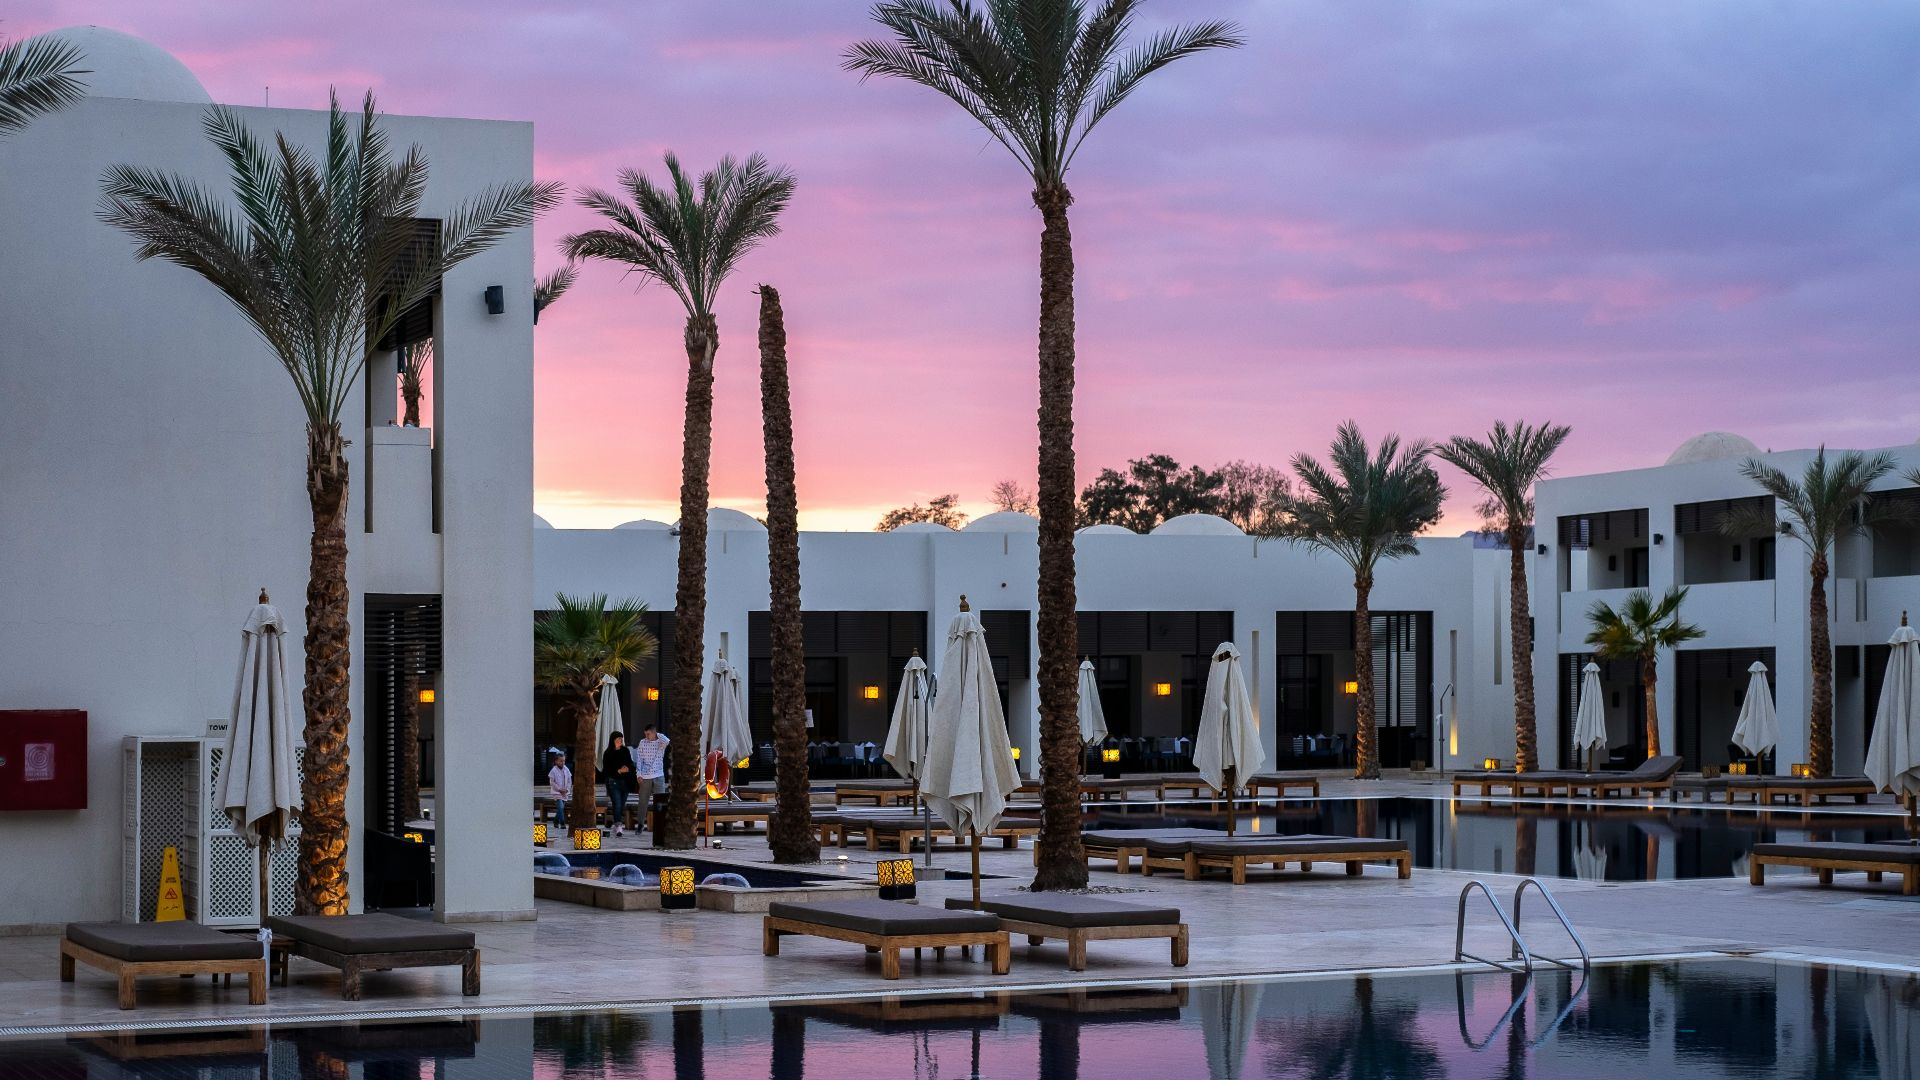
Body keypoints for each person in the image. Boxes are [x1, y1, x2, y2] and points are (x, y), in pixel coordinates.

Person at [632, 723, 670, 838]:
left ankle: (661, 824)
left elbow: (667, 740)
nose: (647, 736)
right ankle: (640, 824)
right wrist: (638, 774)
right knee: (643, 801)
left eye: (649, 734)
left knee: (660, 801)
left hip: (658, 775)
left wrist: (656, 734)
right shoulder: (642, 742)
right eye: (645, 734)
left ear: (653, 733)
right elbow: (639, 759)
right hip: (645, 776)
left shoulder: (660, 742)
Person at [601, 731, 636, 837]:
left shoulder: (625, 751)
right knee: (617, 803)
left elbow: (630, 763)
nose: (620, 741)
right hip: (613, 781)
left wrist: (627, 769)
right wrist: (618, 771)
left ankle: (617, 823)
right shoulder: (608, 753)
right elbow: (606, 770)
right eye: (618, 739)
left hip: (625, 781)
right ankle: (618, 825)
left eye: (621, 739)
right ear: (613, 740)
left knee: (621, 804)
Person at [546, 750, 571, 833]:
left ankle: (555, 821)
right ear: (556, 761)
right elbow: (552, 782)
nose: (562, 762)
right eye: (560, 761)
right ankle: (563, 823)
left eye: (564, 761)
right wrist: (559, 789)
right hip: (557, 792)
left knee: (561, 808)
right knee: (560, 807)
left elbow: (569, 780)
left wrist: (567, 789)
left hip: (565, 792)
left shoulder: (566, 769)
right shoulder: (553, 770)